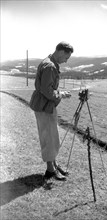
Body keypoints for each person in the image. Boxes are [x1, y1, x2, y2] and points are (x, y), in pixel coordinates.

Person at [29, 42, 74, 181]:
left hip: (45, 105)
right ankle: (50, 170)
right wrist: (61, 94)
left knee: (52, 136)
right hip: (44, 106)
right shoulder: (50, 66)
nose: (66, 61)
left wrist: (59, 92)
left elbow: (47, 88)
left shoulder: (49, 62)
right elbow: (47, 91)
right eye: (66, 57)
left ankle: (54, 164)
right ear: (61, 52)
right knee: (48, 137)